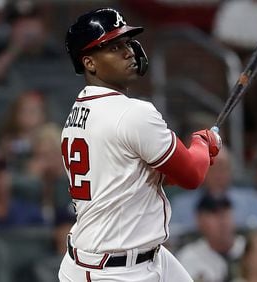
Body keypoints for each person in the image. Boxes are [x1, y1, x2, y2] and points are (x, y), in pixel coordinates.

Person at [58, 7, 221, 282]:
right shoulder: (132, 113)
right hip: (115, 272)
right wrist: (202, 143)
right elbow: (193, 175)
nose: (128, 51)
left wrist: (197, 155)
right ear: (89, 63)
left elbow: (137, 178)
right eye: (113, 46)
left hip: (126, 256)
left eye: (126, 42)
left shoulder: (77, 113)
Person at [171, 146, 257, 236]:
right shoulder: (181, 205)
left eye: (223, 168)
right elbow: (171, 239)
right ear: (202, 170)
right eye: (212, 168)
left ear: (231, 171)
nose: (218, 174)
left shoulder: (253, 200)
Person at [176, 193, 245, 282]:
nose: (222, 220)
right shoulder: (188, 258)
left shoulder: (250, 249)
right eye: (214, 214)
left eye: (225, 212)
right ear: (199, 220)